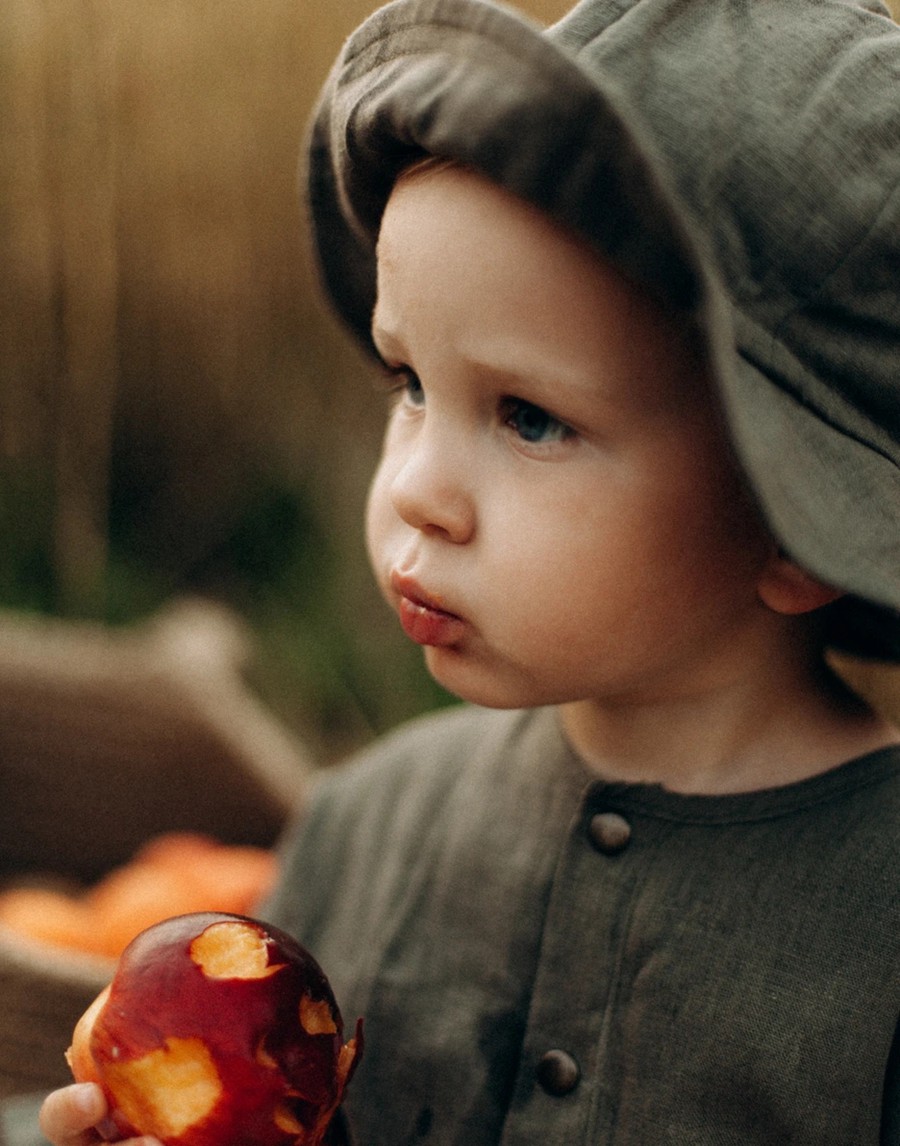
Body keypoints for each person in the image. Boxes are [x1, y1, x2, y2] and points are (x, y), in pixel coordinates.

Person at [35, 0, 900, 1142]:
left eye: (531, 418)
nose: (413, 490)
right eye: (409, 385)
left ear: (795, 523)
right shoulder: (361, 833)